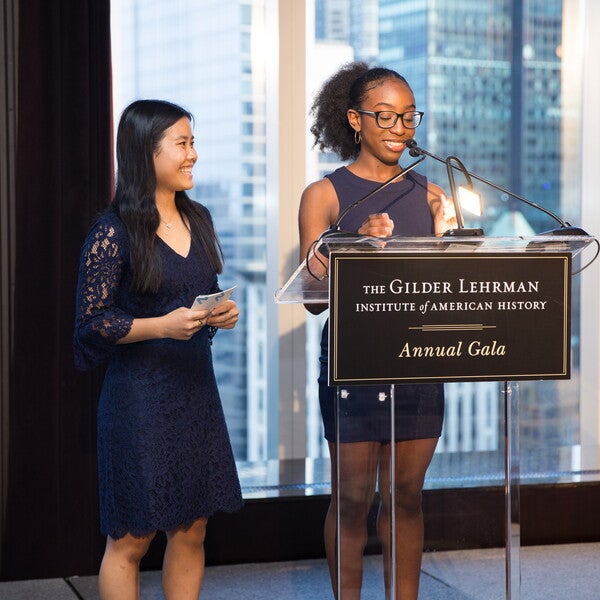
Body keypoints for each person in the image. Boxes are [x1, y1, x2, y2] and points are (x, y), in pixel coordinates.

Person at [298, 62, 456, 600]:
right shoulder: (325, 195)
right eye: (384, 116)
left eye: (408, 116)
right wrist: (354, 248)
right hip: (353, 364)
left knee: (406, 495)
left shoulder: (433, 192)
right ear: (355, 120)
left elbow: (449, 290)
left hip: (418, 359)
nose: (398, 128)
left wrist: (452, 242)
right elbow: (313, 302)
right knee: (352, 499)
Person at [74, 99, 243, 600]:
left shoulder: (201, 218)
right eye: (182, 143)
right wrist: (160, 327)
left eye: (193, 142)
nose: (193, 154)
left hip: (196, 395)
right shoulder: (113, 231)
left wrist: (219, 317)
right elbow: (91, 325)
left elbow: (194, 303)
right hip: (139, 402)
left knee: (193, 528)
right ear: (145, 152)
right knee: (131, 538)